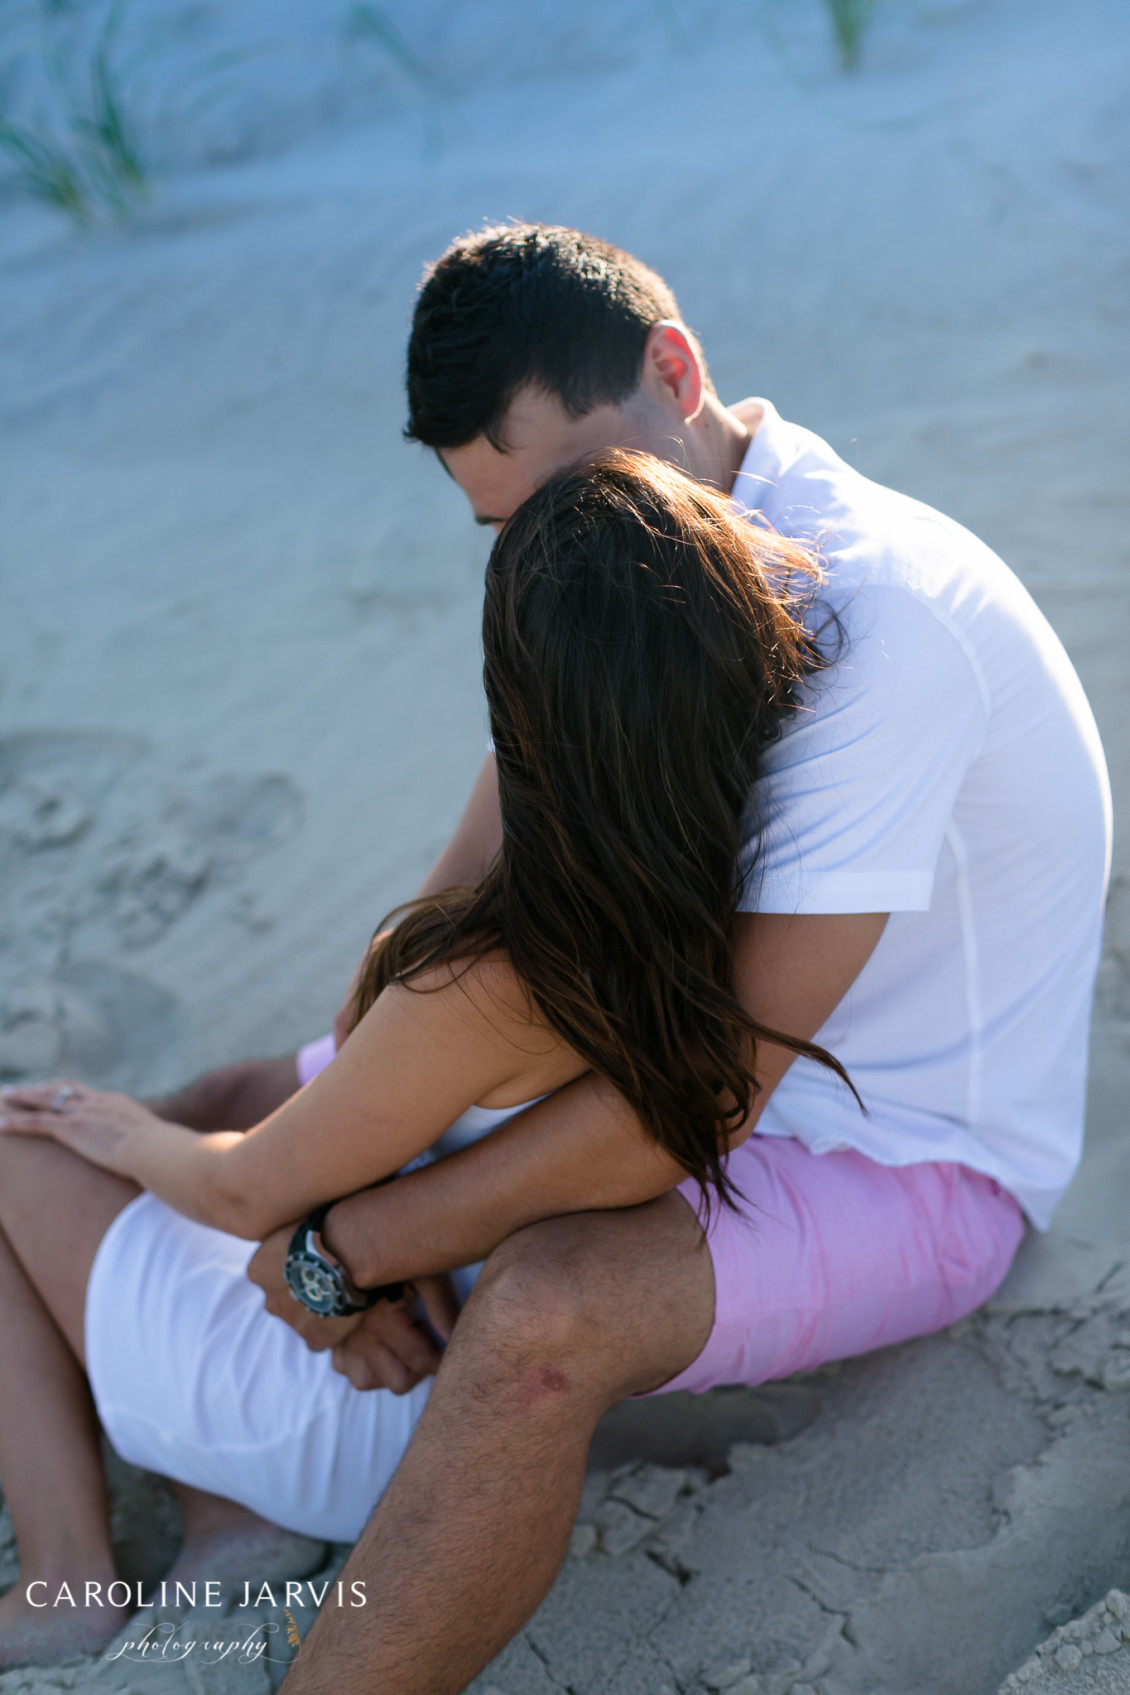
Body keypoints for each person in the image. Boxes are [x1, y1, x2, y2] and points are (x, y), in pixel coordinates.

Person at [6, 222, 1112, 1695]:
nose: (531, 548)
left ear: (676, 372)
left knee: (543, 1306)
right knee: (244, 1094)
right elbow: (468, 870)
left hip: (895, 1146)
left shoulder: (873, 617)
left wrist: (341, 1244)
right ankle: (214, 1511)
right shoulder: (597, 562)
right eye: (499, 528)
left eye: (556, 499)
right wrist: (319, 1146)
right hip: (673, 1041)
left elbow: (701, 1102)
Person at [5, 453, 848, 1666]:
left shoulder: (491, 977)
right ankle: (224, 1509)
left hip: (366, 1412)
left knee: (22, 1143)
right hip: (428, 1353)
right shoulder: (718, 890)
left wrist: (121, 1132)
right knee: (242, 1132)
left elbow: (245, 1193)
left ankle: (68, 1579)